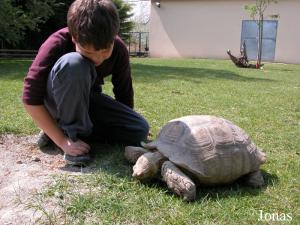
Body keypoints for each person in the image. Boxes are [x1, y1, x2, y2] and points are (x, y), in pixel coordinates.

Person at [22, 0, 149, 165]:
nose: (97, 59)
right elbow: (30, 99)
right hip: (56, 102)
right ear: (74, 39)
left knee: (139, 129)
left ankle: (63, 128)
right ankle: (70, 136)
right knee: (74, 63)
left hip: (87, 102)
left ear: (114, 37)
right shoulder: (57, 43)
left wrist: (125, 121)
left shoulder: (119, 48)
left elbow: (124, 94)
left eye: (104, 51)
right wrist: (63, 142)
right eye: (88, 52)